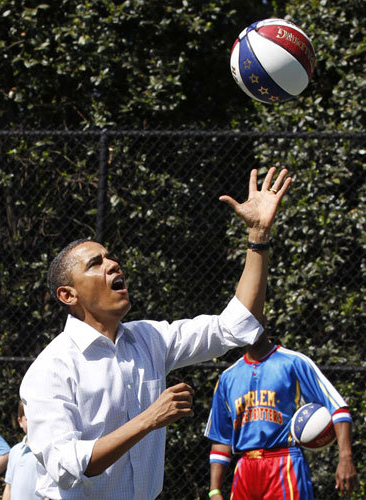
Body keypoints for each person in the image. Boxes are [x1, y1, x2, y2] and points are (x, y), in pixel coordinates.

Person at [20, 167, 291, 500]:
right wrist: (149, 419)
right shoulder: (52, 368)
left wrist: (259, 236)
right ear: (68, 295)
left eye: (111, 257)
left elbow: (236, 325)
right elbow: (67, 466)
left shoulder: (149, 338)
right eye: (95, 263)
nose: (113, 264)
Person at [204, 328, 359, 499]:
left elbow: (338, 407)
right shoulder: (228, 377)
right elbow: (221, 437)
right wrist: (214, 490)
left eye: (254, 317)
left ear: (263, 320)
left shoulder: (293, 362)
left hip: (284, 463)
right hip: (244, 468)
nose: (249, 325)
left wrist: (345, 457)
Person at [2, 401, 49, 500]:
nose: (32, 422)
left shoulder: (47, 451)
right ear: (20, 422)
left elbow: (50, 491)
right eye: (27, 418)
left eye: (35, 418)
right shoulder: (15, 451)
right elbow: (9, 487)